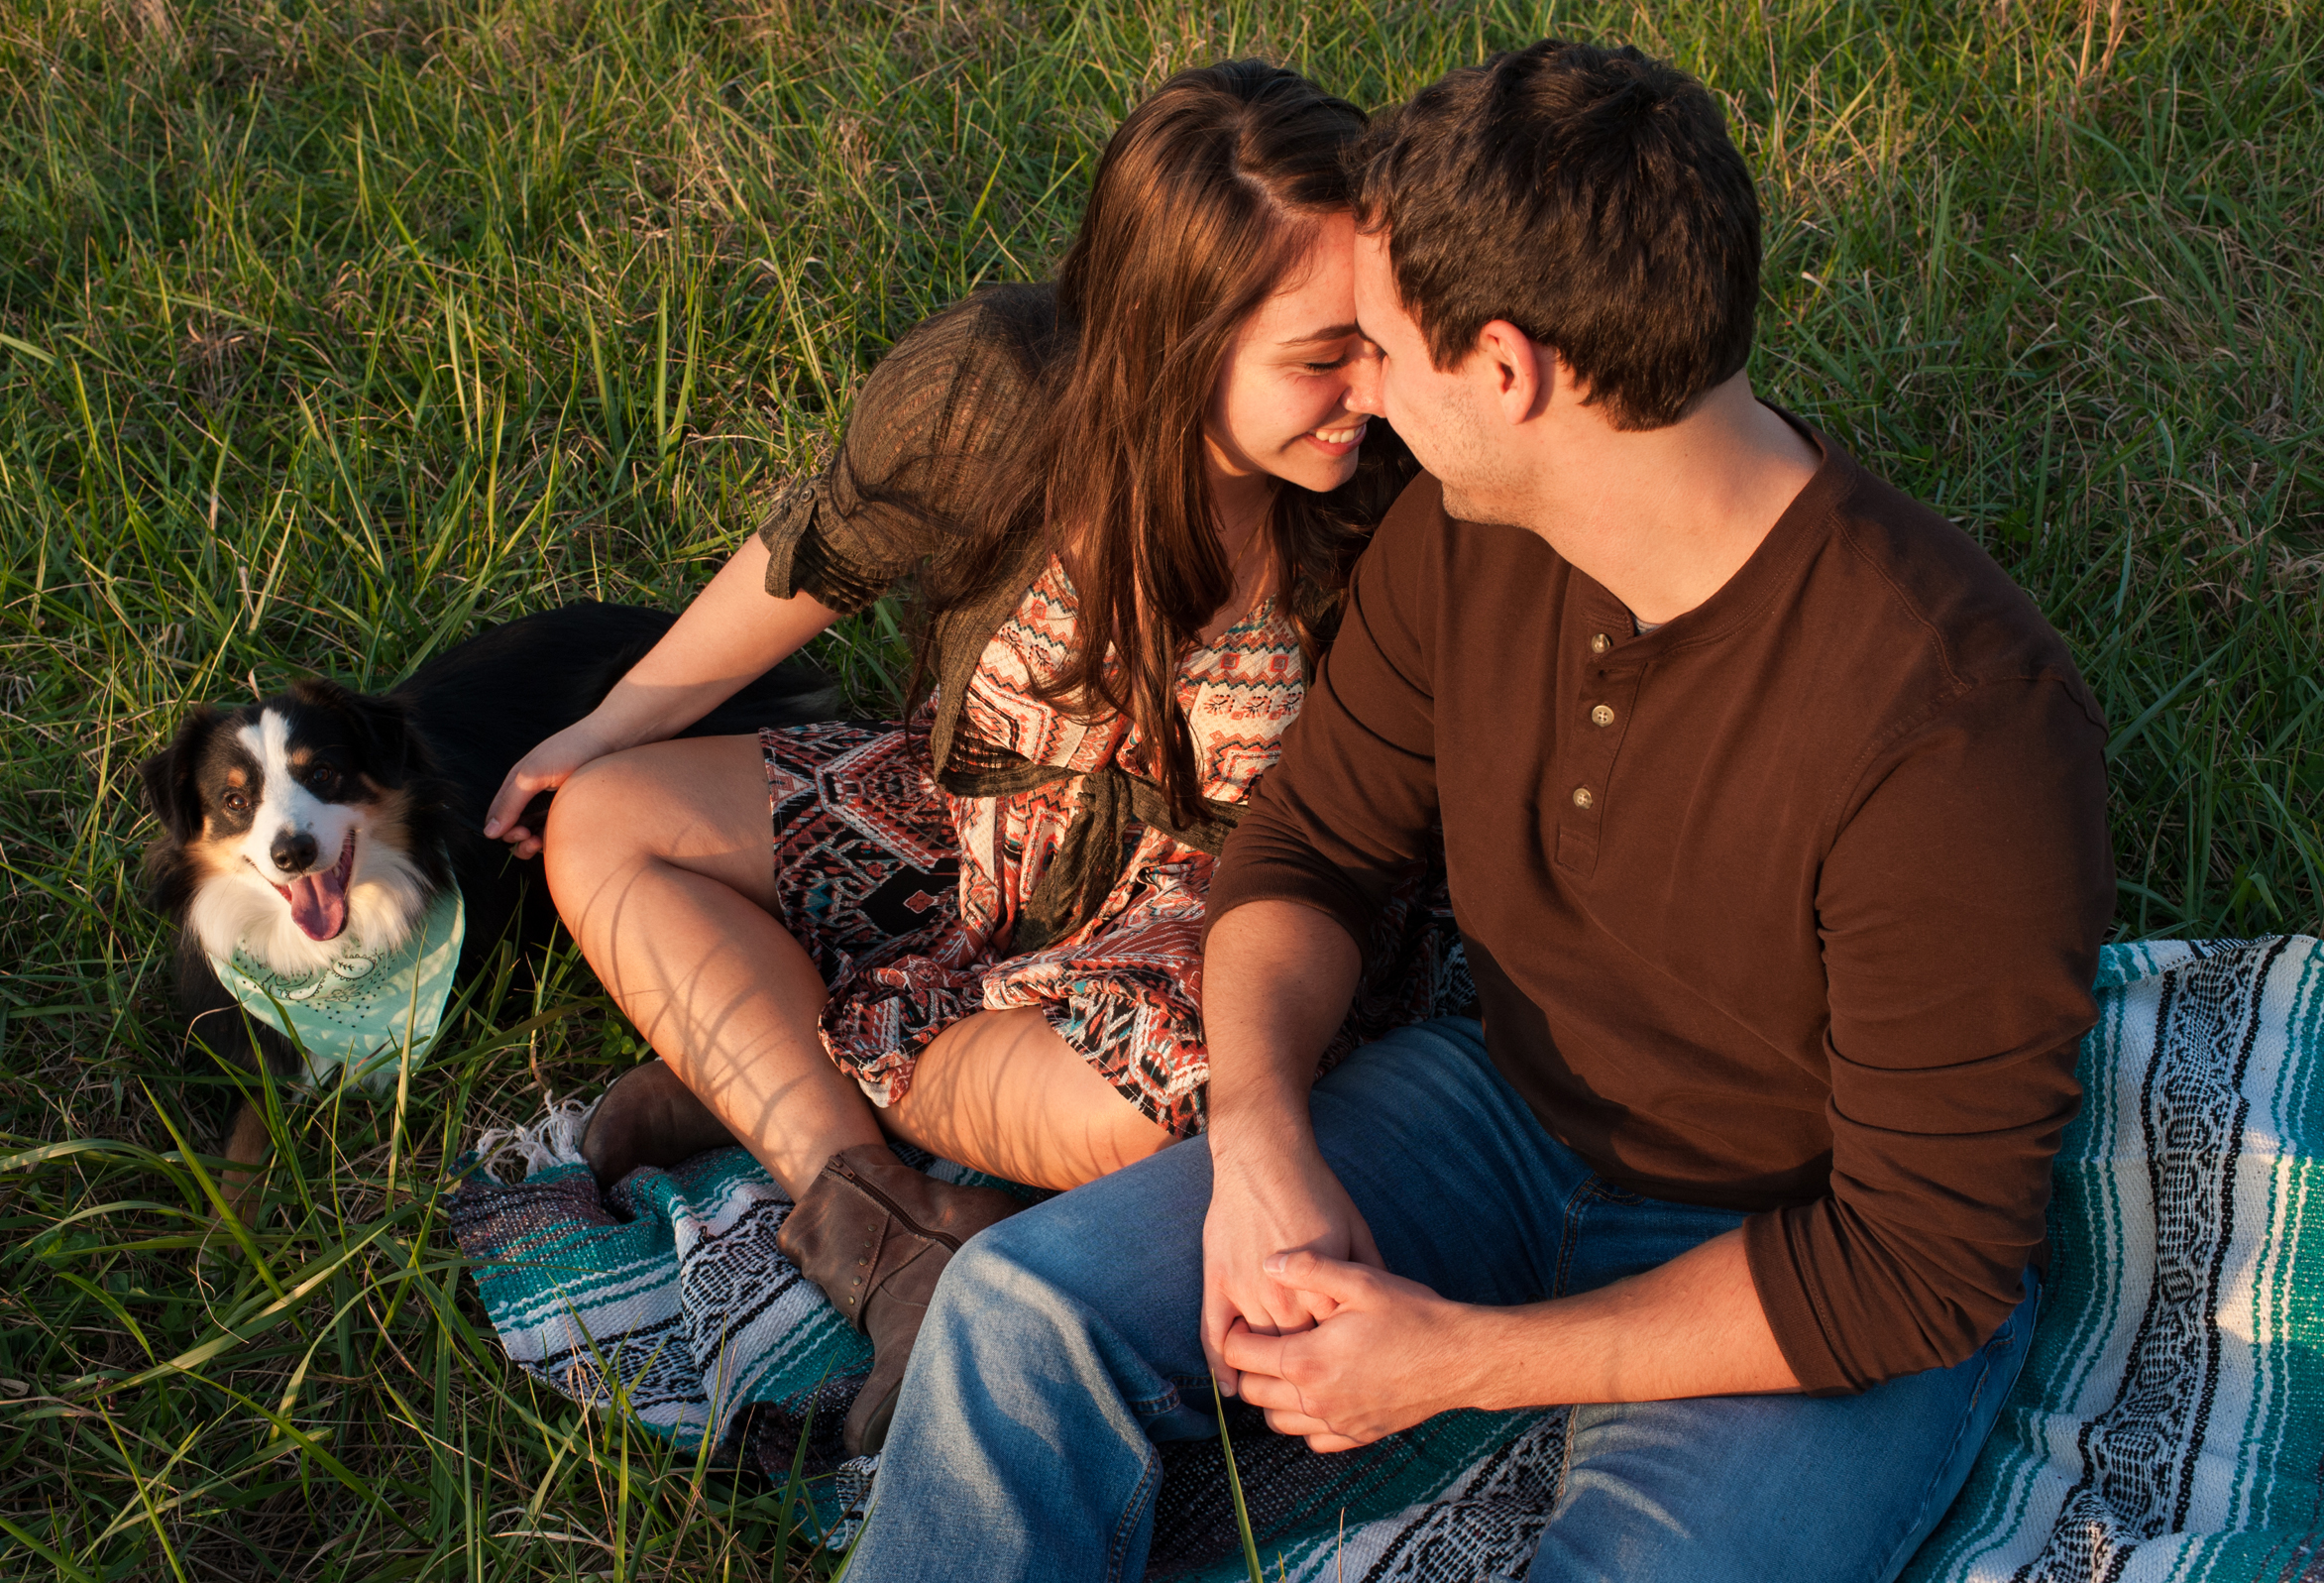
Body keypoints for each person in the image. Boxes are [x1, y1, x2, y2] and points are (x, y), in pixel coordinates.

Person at [838, 40, 2116, 1582]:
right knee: (1013, 1319)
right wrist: (1259, 1136)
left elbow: (1920, 1263)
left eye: (1379, 346)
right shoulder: (1467, 534)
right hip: (1498, 1115)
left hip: (1795, 1251)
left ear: (1504, 371)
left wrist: (1458, 1361)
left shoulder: (1958, 730)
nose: (1358, 387)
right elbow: (1310, 847)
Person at [480, 60, 1472, 1457]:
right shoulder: (992, 398)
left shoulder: (1389, 489)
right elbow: (810, 558)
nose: (1366, 383)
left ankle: (783, 1065)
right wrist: (605, 725)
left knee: (1192, 1109)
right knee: (606, 824)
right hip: (973, 851)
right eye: (1324, 356)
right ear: (1180, 338)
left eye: (1373, 335)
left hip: (1213, 941)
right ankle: (880, 1230)